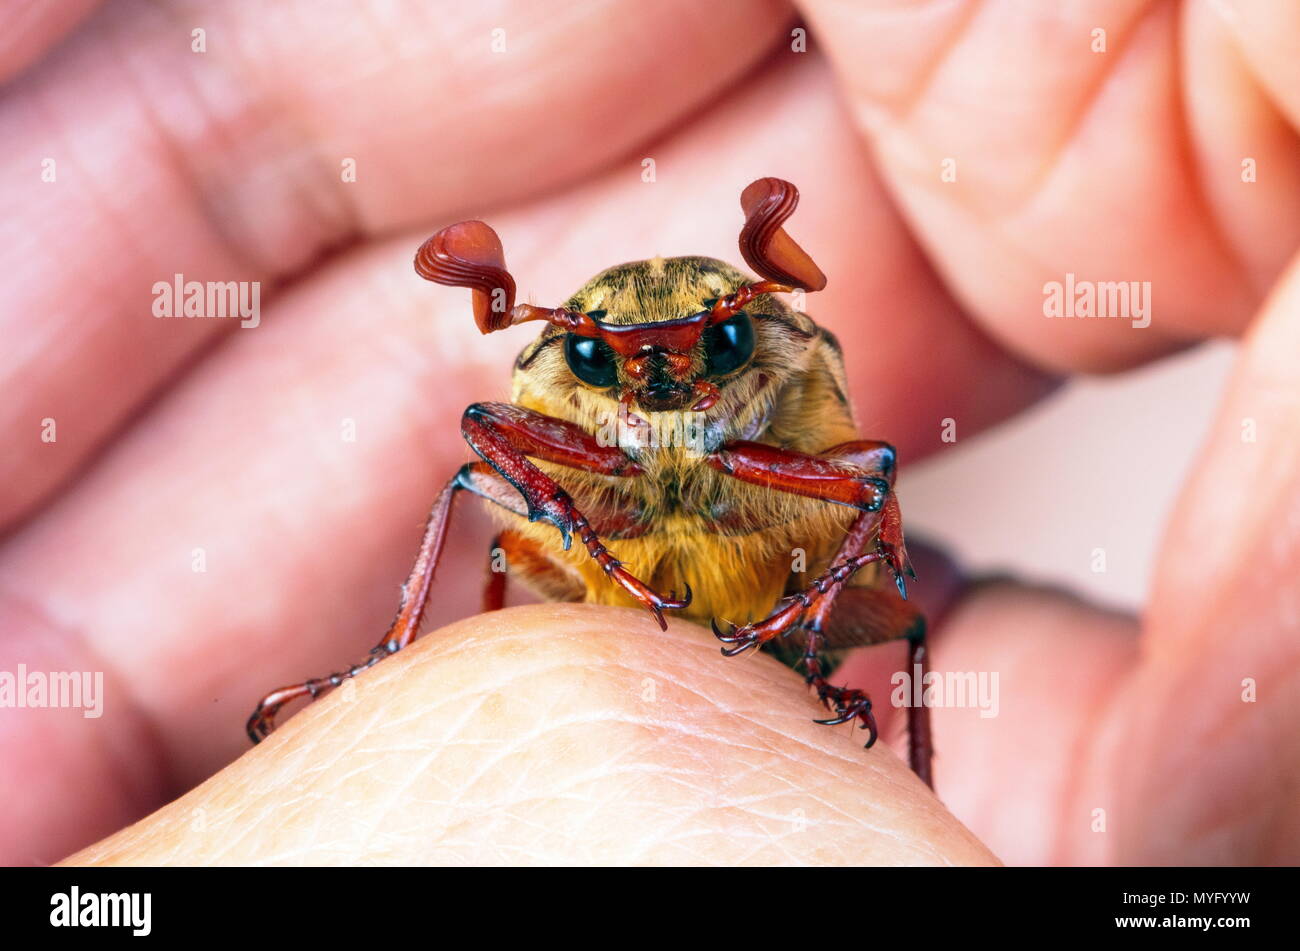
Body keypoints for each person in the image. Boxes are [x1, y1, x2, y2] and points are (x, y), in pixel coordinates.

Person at [3, 0, 1296, 866]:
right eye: (621, 368)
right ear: (574, 357)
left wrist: (813, 613)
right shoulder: (551, 395)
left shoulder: (790, 365)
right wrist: (579, 541)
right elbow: (489, 456)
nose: (666, 391)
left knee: (898, 630)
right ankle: (392, 658)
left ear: (752, 337)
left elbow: (864, 476)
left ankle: (915, 778)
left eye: (707, 357)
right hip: (602, 566)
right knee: (478, 484)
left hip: (787, 580)